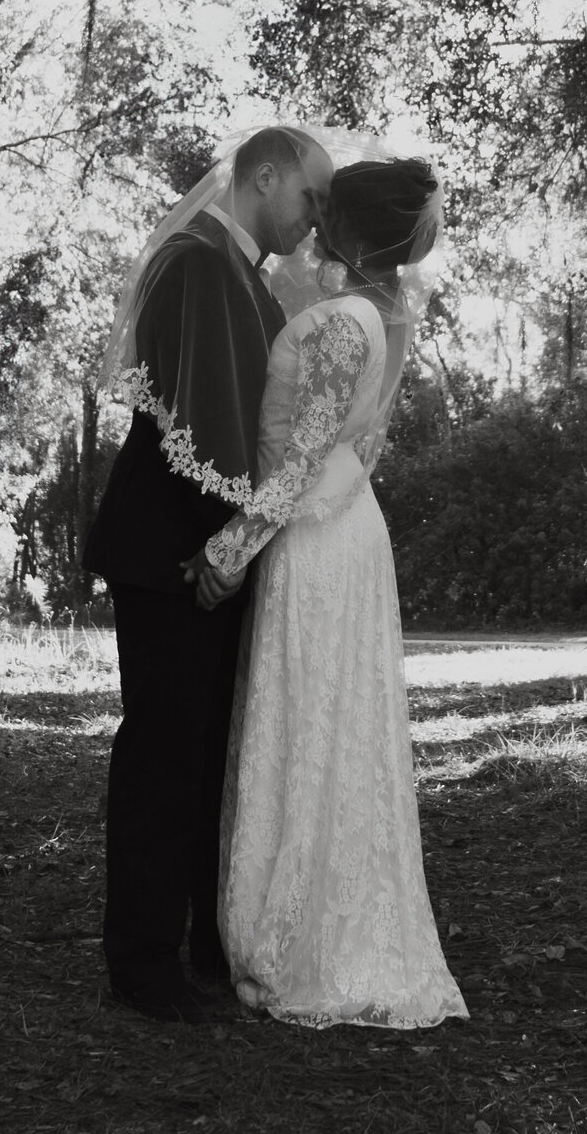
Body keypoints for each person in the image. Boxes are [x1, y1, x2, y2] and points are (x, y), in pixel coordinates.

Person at [195, 155, 469, 1029]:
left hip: (315, 540)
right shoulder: (381, 318)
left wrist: (228, 549)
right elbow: (363, 453)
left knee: (315, 718)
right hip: (349, 527)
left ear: (346, 229)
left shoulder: (344, 322)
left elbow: (304, 455)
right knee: (332, 722)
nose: (309, 217)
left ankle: (308, 939)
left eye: (322, 206)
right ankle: (329, 918)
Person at [84, 126, 333, 1023]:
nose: (317, 220)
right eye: (310, 197)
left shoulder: (246, 277)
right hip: (170, 553)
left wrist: (240, 548)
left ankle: (200, 943)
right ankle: (142, 964)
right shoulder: (195, 263)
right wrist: (219, 549)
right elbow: (195, 426)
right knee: (163, 757)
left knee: (206, 755)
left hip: (208, 551)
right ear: (264, 176)